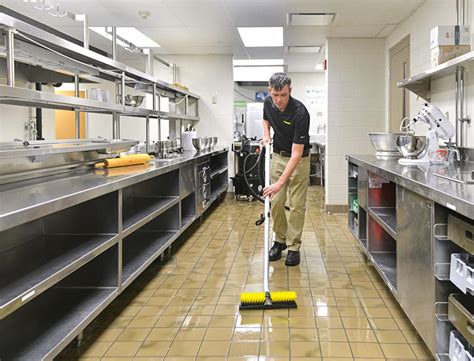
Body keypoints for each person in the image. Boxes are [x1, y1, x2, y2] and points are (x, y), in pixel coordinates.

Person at [261, 72, 311, 266]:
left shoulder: (300, 112)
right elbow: (266, 117)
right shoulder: (267, 102)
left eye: (283, 95)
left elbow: (297, 154)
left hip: (299, 160)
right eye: (275, 95)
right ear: (270, 91)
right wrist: (266, 134)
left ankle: (293, 247)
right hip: (279, 156)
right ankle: (280, 240)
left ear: (290, 91)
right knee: (276, 201)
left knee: (297, 205)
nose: (279, 100)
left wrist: (280, 183)